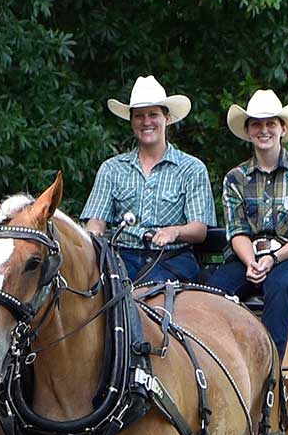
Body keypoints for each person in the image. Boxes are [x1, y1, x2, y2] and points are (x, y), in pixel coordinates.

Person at [205, 89, 288, 353]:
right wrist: (251, 262)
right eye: (256, 124)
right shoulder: (235, 178)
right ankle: (219, 365)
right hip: (248, 257)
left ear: (283, 128)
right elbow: (237, 231)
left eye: (271, 123)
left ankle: (272, 374)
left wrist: (275, 258)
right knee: (210, 292)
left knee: (278, 286)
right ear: (248, 131)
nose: (264, 130)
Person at [81, 76, 215, 285]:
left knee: (149, 296)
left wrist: (174, 232)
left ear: (166, 118)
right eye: (139, 116)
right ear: (132, 121)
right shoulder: (111, 168)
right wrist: (92, 238)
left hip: (172, 259)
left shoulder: (191, 168)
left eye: (153, 114)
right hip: (121, 258)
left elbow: (199, 230)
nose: (146, 122)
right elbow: (96, 222)